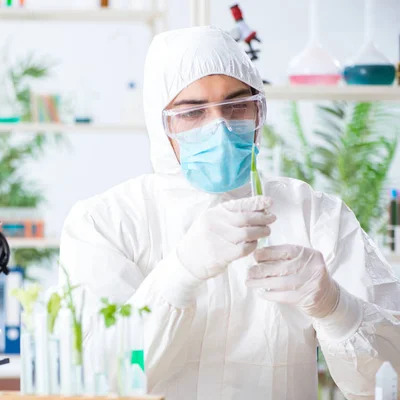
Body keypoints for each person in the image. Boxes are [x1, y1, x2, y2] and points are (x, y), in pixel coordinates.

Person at [59, 26, 400, 399]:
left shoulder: (315, 215)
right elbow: (97, 377)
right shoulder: (106, 222)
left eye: (237, 104)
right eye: (192, 112)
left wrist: (335, 306)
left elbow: (388, 381)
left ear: (259, 109)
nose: (219, 126)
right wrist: (179, 273)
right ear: (161, 125)